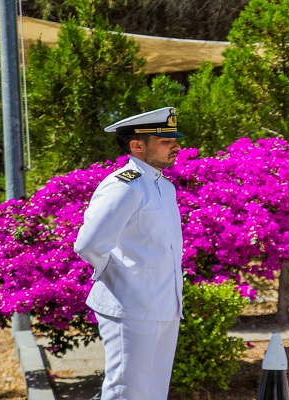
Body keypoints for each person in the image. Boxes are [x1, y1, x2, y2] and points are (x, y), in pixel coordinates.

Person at [74, 107, 185, 400]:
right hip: (131, 306)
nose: (176, 146)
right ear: (137, 146)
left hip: (164, 305)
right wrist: (120, 275)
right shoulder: (124, 185)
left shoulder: (163, 186)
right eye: (166, 140)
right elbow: (88, 244)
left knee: (154, 392)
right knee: (126, 392)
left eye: (175, 139)